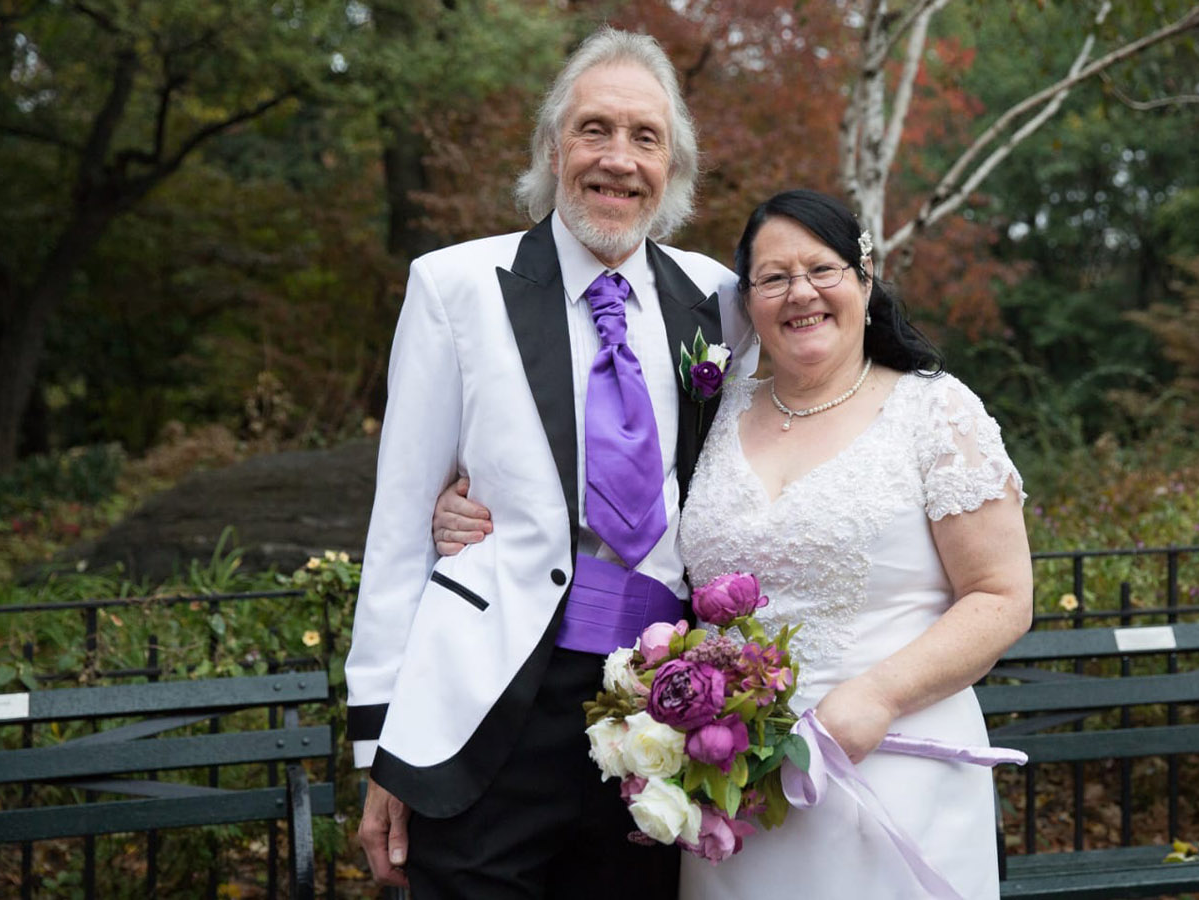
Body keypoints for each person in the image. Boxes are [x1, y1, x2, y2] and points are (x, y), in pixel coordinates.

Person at [436, 189, 1033, 898]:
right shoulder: (714, 410)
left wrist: (875, 696)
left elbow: (1001, 596)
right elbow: (604, 492)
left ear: (865, 279)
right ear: (746, 301)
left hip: (891, 762)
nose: (800, 293)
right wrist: (466, 511)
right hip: (733, 783)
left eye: (823, 270)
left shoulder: (935, 412)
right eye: (773, 278)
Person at [345, 27, 756, 899]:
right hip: (490, 704)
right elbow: (397, 522)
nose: (618, 159)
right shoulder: (455, 287)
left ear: (674, 165)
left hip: (656, 715)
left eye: (645, 137)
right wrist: (381, 743)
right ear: (552, 148)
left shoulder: (718, 301)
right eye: (593, 130)